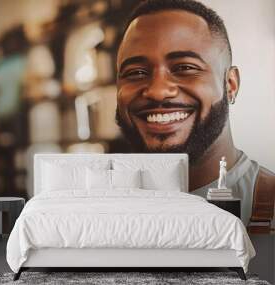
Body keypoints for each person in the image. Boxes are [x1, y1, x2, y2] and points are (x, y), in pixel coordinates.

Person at [115, 0, 275, 230]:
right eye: (136, 72)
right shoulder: (97, 214)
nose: (158, 91)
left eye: (185, 68)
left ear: (230, 84)